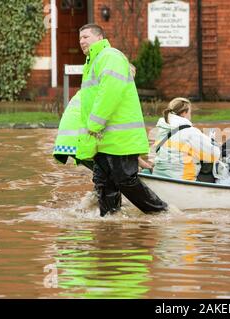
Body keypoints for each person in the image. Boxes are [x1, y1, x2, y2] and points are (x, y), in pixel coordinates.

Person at [75, 23, 167, 216]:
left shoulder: (109, 56)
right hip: (102, 138)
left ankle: (162, 212)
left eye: (86, 36)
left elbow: (109, 94)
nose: (82, 41)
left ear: (99, 38)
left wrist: (94, 125)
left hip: (118, 137)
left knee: (125, 179)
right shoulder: (93, 62)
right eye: (80, 37)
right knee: (103, 182)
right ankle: (110, 220)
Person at [152, 97, 220, 181]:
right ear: (184, 113)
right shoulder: (190, 132)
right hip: (183, 179)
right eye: (190, 113)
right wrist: (212, 142)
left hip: (158, 175)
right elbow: (215, 154)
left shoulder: (161, 129)